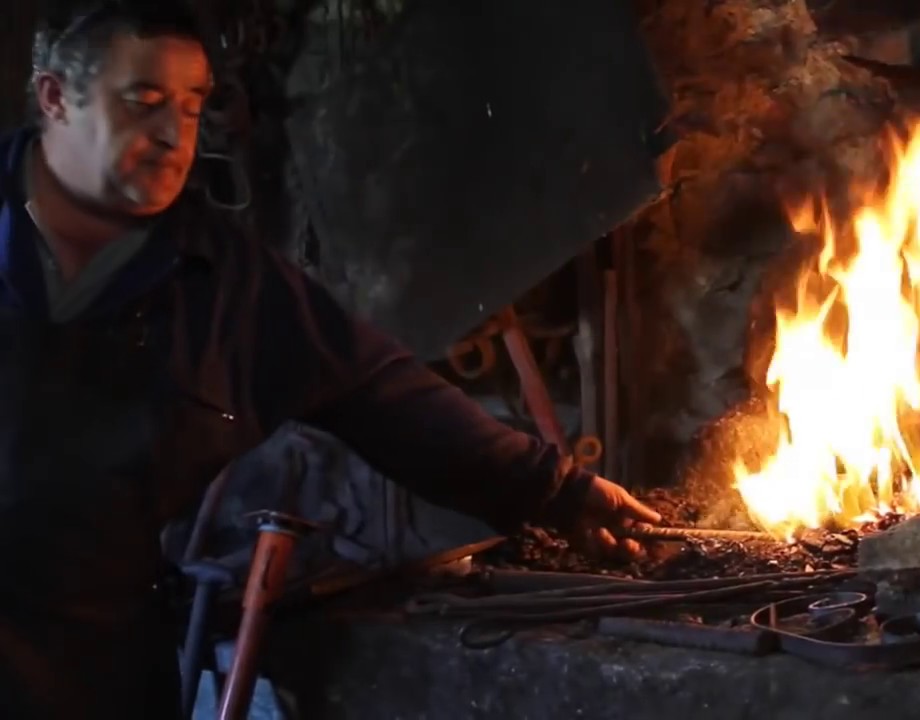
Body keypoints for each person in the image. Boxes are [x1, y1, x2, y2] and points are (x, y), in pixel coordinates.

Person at [0, 3, 661, 717]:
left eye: (193, 108)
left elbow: (378, 391)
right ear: (55, 100)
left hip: (95, 668)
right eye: (145, 102)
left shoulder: (223, 283)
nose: (173, 135)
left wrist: (554, 490)